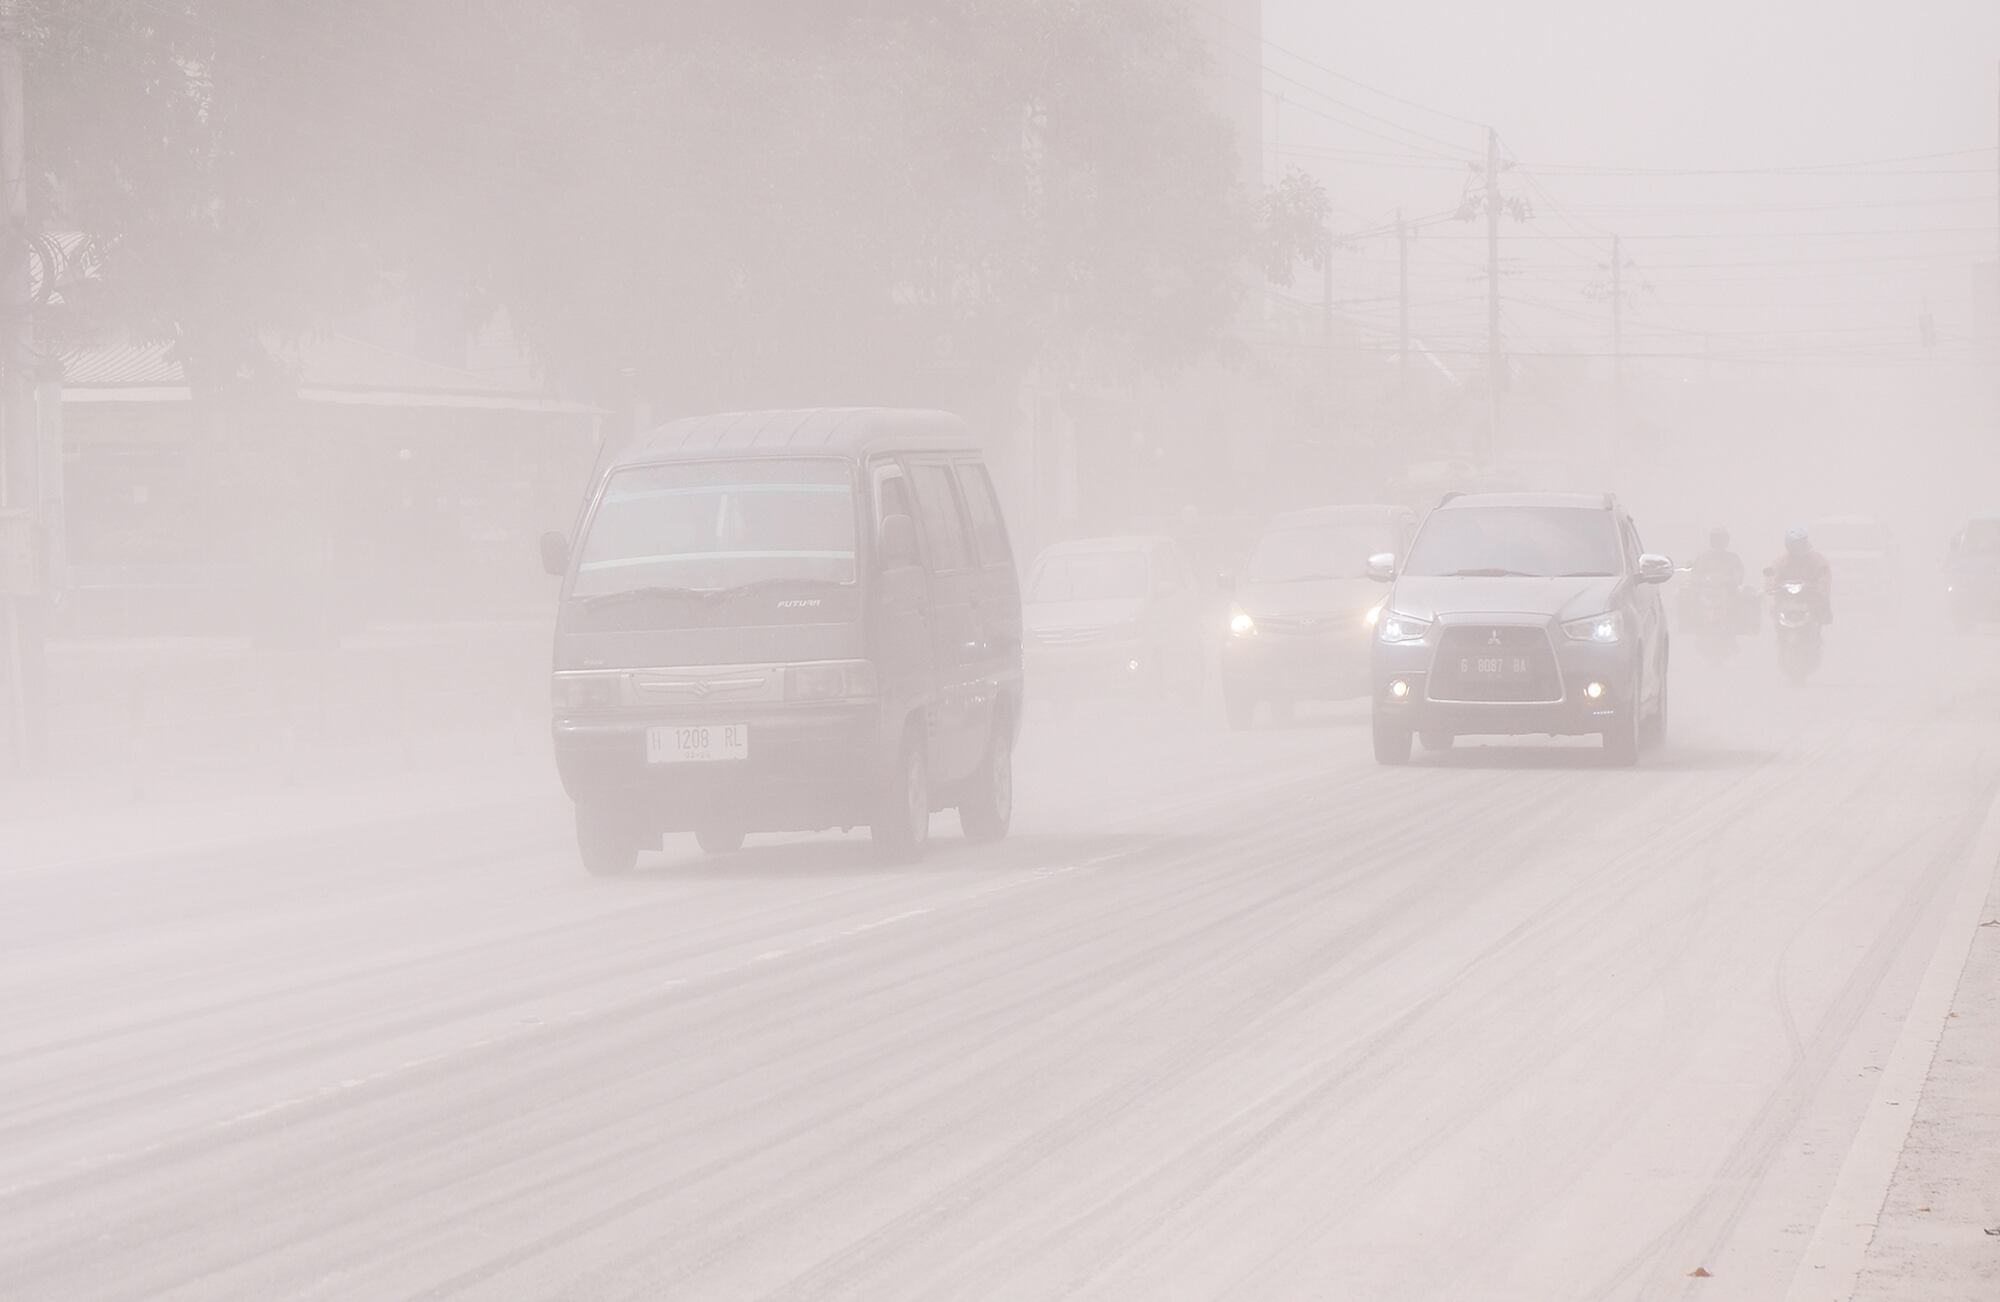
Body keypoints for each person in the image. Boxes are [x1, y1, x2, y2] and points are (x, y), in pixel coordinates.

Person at [1767, 526, 1833, 624]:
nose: (1797, 547)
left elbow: (1824, 574)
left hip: (1810, 596)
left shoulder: (1816, 559)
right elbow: (1773, 576)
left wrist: (1821, 587)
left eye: (1800, 544)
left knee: (1821, 606)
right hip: (1787, 598)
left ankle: (1820, 622)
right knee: (1775, 607)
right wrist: (1771, 587)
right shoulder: (1782, 561)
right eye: (1794, 544)